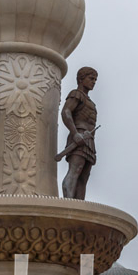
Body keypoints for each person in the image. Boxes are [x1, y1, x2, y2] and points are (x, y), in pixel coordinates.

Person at [60, 67, 98, 200]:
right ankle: (69, 203)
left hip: (89, 140)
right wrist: (75, 133)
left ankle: (79, 204)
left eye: (95, 79)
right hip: (79, 135)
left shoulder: (90, 102)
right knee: (75, 171)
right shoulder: (76, 94)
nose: (94, 82)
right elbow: (66, 112)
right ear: (81, 79)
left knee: (84, 176)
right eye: (91, 78)